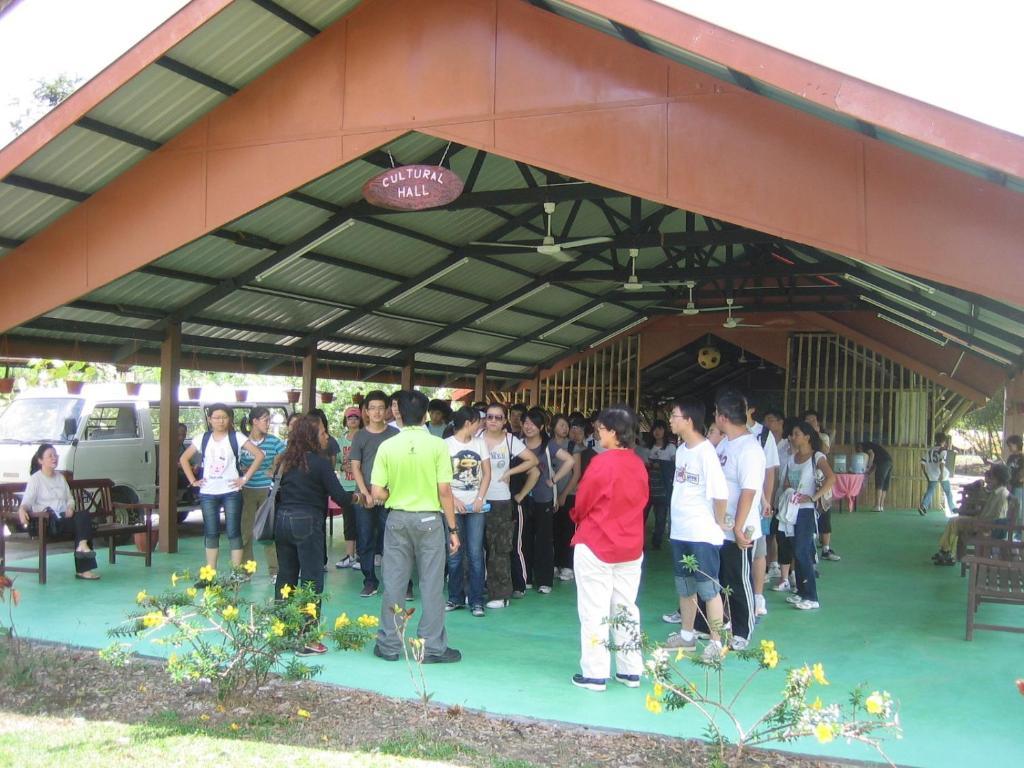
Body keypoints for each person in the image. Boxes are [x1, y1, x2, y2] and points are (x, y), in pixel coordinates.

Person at [371, 390, 461, 664]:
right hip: (429, 521)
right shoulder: (438, 445)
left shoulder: (387, 446)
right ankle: (432, 648)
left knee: (394, 583)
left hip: (397, 519)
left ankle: (388, 645)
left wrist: (395, 493)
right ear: (424, 415)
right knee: (432, 584)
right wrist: (453, 529)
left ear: (397, 413)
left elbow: (377, 492)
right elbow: (444, 490)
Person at [570, 404, 649, 691]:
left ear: (613, 432)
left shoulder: (602, 462)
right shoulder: (638, 463)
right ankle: (630, 671)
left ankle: (594, 673)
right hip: (630, 545)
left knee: (594, 609)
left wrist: (577, 518)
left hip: (597, 543)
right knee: (626, 608)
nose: (597, 432)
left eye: (601, 428)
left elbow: (582, 502)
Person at [274, 415, 352, 656]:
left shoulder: (284, 460)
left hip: (282, 521)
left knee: (286, 576)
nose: (326, 437)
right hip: (306, 522)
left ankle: (282, 633)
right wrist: (360, 498)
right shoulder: (319, 463)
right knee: (311, 580)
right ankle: (307, 638)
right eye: (322, 433)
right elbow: (340, 496)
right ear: (311, 437)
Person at [664, 398, 728, 661]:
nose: (670, 420)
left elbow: (720, 495)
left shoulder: (706, 453)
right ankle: (687, 636)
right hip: (681, 532)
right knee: (684, 586)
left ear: (688, 420)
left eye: (674, 416)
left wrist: (718, 524)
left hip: (702, 534)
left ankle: (715, 643)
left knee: (708, 588)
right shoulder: (682, 451)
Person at [179, 404, 264, 575]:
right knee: (211, 532)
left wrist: (244, 479)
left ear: (229, 419)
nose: (220, 421)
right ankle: (210, 574)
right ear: (210, 420)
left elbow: (259, 455)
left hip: (231, 491)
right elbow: (184, 458)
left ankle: (235, 575)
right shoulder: (202, 438)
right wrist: (193, 481)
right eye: (216, 417)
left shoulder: (236, 437)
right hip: (208, 492)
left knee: (234, 532)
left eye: (224, 417)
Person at [714, 391, 765, 649]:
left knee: (738, 578)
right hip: (720, 527)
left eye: (716, 414)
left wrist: (737, 527)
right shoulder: (725, 443)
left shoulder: (750, 448)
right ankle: (722, 622)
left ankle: (742, 631)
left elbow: (749, 490)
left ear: (723, 417)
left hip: (739, 528)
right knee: (721, 578)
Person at [482, 403, 539, 608]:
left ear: (504, 420)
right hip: (477, 499)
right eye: (490, 417)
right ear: (485, 419)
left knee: (500, 548)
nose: (494, 421)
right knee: (474, 548)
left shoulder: (510, 440)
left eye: (498, 417)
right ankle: (475, 590)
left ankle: (500, 595)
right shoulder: (476, 438)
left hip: (501, 500)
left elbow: (532, 460)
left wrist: (509, 473)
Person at [18, 444, 99, 580]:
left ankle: (82, 546)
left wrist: (70, 508)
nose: (54, 458)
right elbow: (26, 502)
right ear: (40, 460)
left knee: (83, 516)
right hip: (47, 522)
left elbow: (70, 499)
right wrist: (22, 510)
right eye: (50, 456)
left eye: (55, 455)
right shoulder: (35, 479)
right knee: (83, 525)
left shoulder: (60, 477)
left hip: (63, 519)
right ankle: (84, 564)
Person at [348, 390, 399, 596]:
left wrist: (388, 492)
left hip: (390, 497)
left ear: (387, 410)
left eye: (381, 408)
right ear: (366, 412)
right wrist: (366, 493)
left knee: (394, 540)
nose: (377, 412)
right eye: (373, 408)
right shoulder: (360, 436)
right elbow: (355, 467)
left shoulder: (395, 435)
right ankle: (370, 580)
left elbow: (399, 467)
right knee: (365, 539)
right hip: (365, 496)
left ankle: (401, 582)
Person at [779, 422, 835, 610]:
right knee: (796, 550)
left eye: (796, 434)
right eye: (792, 434)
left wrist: (812, 497)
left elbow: (831, 478)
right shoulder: (792, 459)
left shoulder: (817, 457)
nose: (792, 437)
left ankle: (811, 596)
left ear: (807, 437)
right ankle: (801, 591)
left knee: (802, 551)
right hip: (792, 509)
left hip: (806, 511)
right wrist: (790, 491)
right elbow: (786, 481)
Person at [520, 408, 576, 594]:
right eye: (526, 422)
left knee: (544, 539)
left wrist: (553, 480)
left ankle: (544, 581)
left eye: (533, 423)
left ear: (541, 427)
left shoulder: (548, 445)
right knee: (523, 539)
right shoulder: (518, 443)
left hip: (543, 498)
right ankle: (525, 577)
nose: (528, 426)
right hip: (522, 498)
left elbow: (569, 461)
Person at [444, 406, 492, 615]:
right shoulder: (445, 445)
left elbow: (487, 474)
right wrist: (453, 500)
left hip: (476, 508)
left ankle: (476, 600)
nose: (480, 425)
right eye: (478, 421)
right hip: (452, 506)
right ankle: (455, 598)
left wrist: (480, 498)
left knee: (475, 553)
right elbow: (441, 479)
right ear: (468, 423)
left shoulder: (480, 443)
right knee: (454, 554)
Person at [932, 463, 1011, 565]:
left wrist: (980, 522)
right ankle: (945, 551)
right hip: (982, 521)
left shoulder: (1001, 495)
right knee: (954, 521)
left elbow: (998, 517)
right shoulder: (998, 492)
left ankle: (946, 552)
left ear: (997, 478)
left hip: (985, 526)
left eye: (992, 477)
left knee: (955, 522)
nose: (990, 479)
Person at [238, 406, 285, 580]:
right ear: (254, 422)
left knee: (268, 530)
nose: (268, 423)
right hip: (247, 490)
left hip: (267, 490)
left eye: (269, 419)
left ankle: (274, 571)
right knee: (246, 531)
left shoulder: (274, 441)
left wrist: (274, 468)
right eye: (265, 419)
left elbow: (287, 455)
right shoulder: (242, 441)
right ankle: (246, 571)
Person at [745, 398, 779, 618]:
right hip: (733, 506)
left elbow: (769, 471)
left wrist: (766, 501)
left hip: (757, 503)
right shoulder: (723, 432)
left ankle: (758, 596)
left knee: (759, 551)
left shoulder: (763, 435)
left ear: (751, 409)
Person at [551, 413, 582, 579]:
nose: (565, 428)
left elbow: (576, 473)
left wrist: (563, 494)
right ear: (553, 426)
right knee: (553, 530)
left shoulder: (572, 446)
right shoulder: (547, 445)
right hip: (551, 494)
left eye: (566, 426)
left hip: (569, 494)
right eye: (561, 425)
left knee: (568, 531)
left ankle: (568, 565)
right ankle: (555, 563)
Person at [333, 406, 362, 570]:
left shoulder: (364, 437)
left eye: (356, 417)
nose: (353, 420)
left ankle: (361, 555)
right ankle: (349, 555)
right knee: (348, 522)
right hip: (345, 486)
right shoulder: (340, 441)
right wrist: (343, 467)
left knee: (362, 522)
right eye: (350, 417)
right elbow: (335, 462)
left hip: (360, 487)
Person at [644, 419, 676, 551]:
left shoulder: (671, 448)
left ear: (665, 431)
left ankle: (656, 542)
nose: (657, 432)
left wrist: (660, 465)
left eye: (660, 429)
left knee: (661, 518)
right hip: (647, 488)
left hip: (662, 489)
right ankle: (640, 541)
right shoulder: (647, 448)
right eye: (655, 429)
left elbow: (675, 466)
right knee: (641, 516)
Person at [919, 432, 956, 516]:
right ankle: (953, 508)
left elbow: (922, 463)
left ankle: (923, 506)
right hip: (942, 474)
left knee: (930, 491)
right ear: (944, 441)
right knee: (948, 492)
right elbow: (942, 462)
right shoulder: (943, 450)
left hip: (931, 474)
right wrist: (942, 474)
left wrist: (926, 473)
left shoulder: (930, 450)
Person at [857, 440, 893, 512]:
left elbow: (872, 455)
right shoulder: (874, 447)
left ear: (859, 447)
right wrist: (869, 472)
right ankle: (881, 506)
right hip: (889, 462)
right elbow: (874, 464)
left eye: (859, 451)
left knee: (879, 483)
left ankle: (877, 505)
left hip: (883, 463)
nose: (861, 452)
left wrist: (867, 467)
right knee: (884, 485)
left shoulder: (865, 446)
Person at [1002, 435, 1022, 519]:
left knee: (1018, 510)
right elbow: (1007, 470)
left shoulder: (1022, 458)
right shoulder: (1010, 458)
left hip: (1019, 487)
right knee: (1009, 510)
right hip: (1009, 486)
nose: (1009, 448)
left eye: (1011, 445)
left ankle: (1018, 531)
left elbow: (1021, 475)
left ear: (1017, 444)